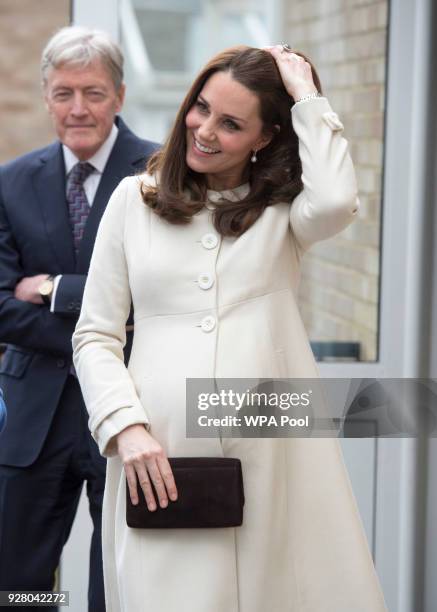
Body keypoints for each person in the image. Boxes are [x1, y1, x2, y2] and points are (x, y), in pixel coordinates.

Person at [72, 45, 388, 611]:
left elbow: (339, 201)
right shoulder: (131, 201)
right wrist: (126, 426)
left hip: (271, 453)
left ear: (265, 137)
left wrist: (307, 98)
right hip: (160, 456)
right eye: (201, 108)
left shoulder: (284, 213)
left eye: (232, 123)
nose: (205, 130)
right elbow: (95, 335)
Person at [0, 26, 157, 610]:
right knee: (20, 579)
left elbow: (155, 295)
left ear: (118, 95)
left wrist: (52, 289)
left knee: (117, 575)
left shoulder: (161, 176)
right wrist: (101, 329)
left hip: (127, 411)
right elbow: (0, 306)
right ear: (46, 97)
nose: (78, 109)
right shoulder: (11, 182)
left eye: (93, 92)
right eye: (64, 93)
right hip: (34, 419)